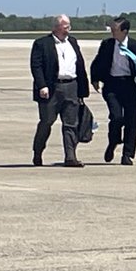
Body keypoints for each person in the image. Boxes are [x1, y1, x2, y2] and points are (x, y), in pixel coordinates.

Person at [29, 15, 90, 167]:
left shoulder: (73, 42)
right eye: (65, 26)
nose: (68, 29)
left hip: (71, 86)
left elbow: (80, 65)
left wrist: (83, 89)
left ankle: (70, 156)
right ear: (56, 27)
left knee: (71, 124)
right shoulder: (42, 43)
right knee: (47, 122)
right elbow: (36, 66)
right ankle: (38, 151)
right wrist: (42, 85)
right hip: (51, 88)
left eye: (69, 26)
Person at [90, 16, 136, 166]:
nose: (112, 32)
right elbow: (97, 63)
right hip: (112, 85)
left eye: (115, 30)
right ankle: (113, 141)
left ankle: (127, 154)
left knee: (132, 120)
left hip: (131, 85)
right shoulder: (107, 44)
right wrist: (95, 79)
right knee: (116, 117)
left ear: (124, 31)